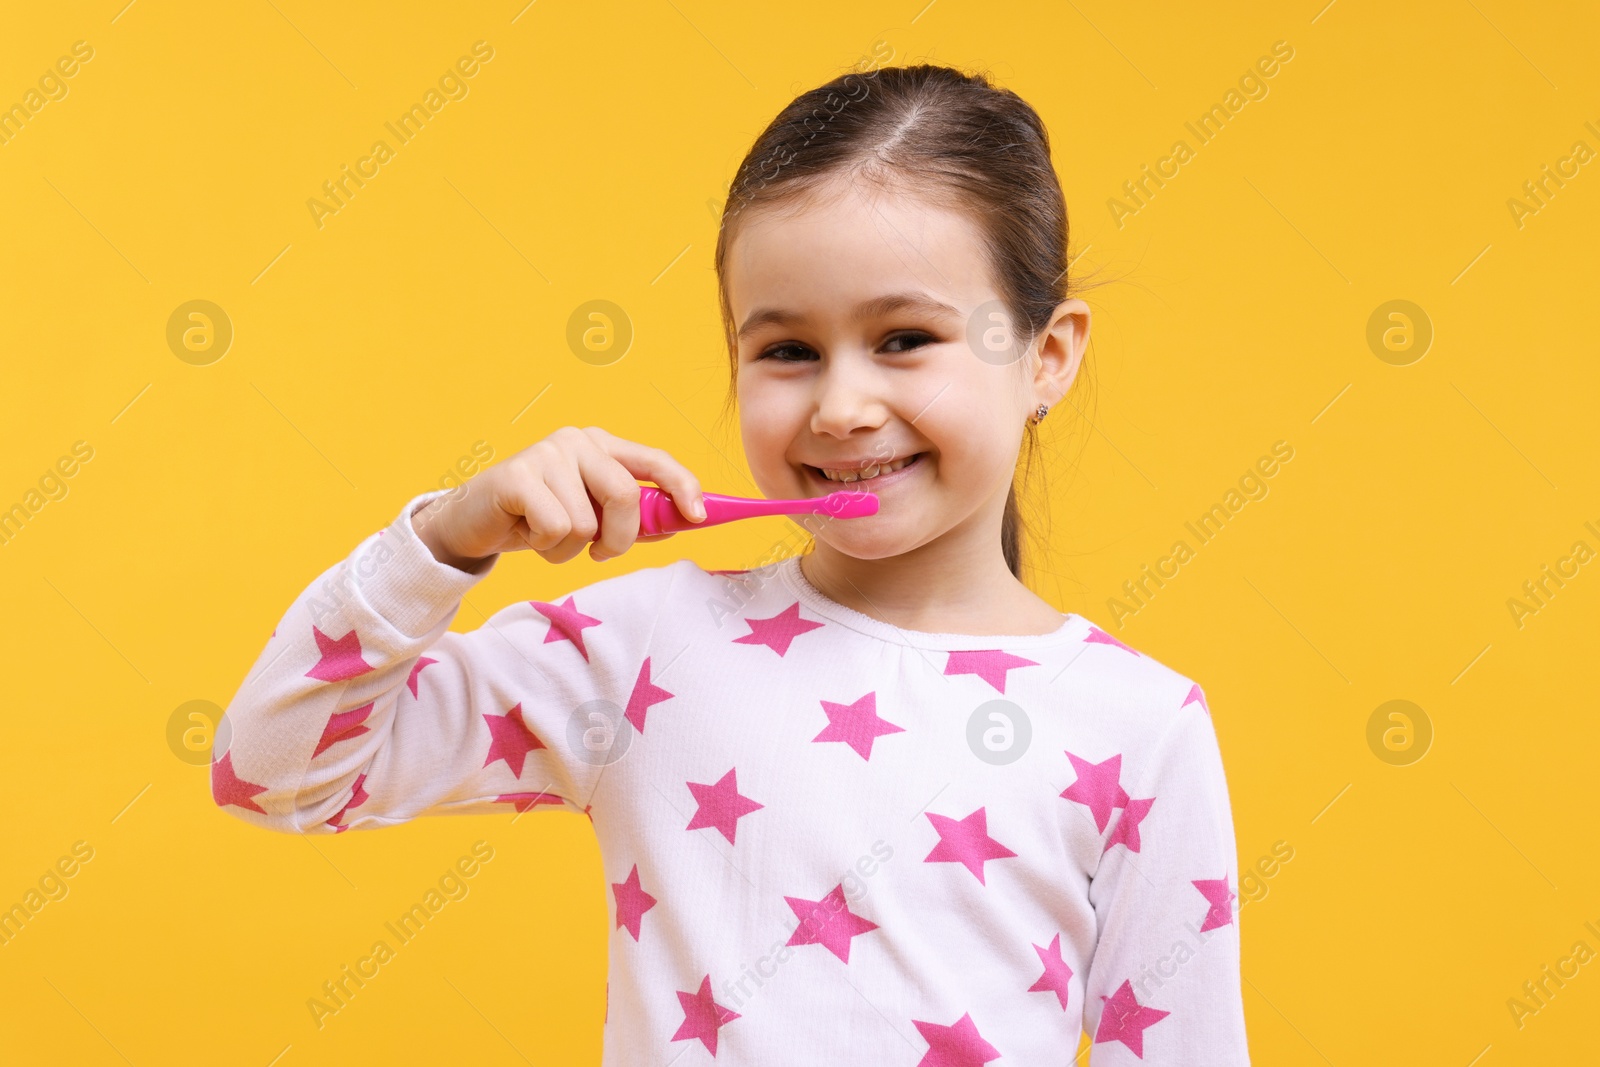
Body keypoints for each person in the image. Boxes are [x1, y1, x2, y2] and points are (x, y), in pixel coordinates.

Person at [216, 62, 1250, 1064]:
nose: (840, 407)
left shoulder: (1141, 726)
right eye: (786, 351)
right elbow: (277, 773)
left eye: (903, 338)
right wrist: (447, 535)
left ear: (1048, 355)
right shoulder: (642, 650)